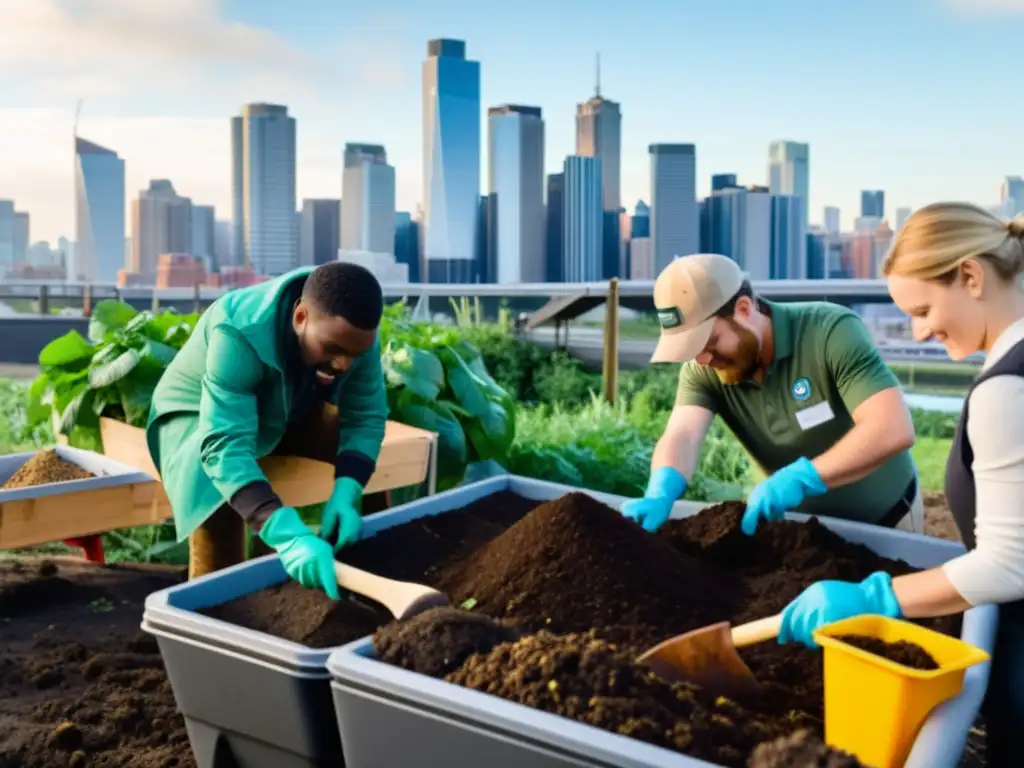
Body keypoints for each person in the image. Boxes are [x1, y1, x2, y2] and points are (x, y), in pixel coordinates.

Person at [776, 203, 1024, 766]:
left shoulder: (1005, 392)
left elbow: (1010, 565)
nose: (919, 331)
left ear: (970, 276)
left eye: (923, 309)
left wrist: (873, 598)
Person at [621, 252, 921, 535]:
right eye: (693, 349)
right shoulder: (704, 369)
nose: (703, 359)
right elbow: (683, 434)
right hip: (800, 532)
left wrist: (800, 479)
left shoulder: (829, 331)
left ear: (743, 309)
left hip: (887, 521)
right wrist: (661, 489)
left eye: (710, 342)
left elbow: (891, 428)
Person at [146, 262, 388, 599]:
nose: (343, 364)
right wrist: (286, 534)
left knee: (364, 461)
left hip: (284, 408)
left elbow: (366, 417)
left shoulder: (351, 336)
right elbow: (224, 446)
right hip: (201, 418)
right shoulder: (239, 329)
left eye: (355, 354)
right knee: (219, 541)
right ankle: (207, 619)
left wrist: (347, 493)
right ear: (300, 317)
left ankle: (368, 572)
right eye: (332, 349)